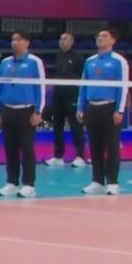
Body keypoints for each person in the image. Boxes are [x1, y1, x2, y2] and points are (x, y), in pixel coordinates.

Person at [78, 28, 129, 195]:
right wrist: (80, 107)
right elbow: (83, 86)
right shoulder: (89, 61)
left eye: (104, 36)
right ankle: (97, 181)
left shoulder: (119, 61)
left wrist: (119, 110)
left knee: (112, 146)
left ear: (113, 40)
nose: (100, 38)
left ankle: (112, 182)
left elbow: (123, 87)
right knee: (94, 146)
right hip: (91, 107)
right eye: (98, 36)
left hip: (110, 108)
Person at [0, 32, 45, 197]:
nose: (15, 42)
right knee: (9, 148)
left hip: (26, 111)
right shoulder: (5, 63)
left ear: (27, 42)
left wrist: (38, 111)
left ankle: (29, 184)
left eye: (18, 39)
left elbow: (41, 88)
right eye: (13, 40)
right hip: (7, 110)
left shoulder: (35, 62)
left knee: (27, 148)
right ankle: (12, 182)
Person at [45, 32, 87, 167]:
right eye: (61, 38)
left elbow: (83, 77)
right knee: (57, 126)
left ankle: (80, 156)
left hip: (72, 97)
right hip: (58, 97)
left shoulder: (79, 58)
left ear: (72, 41)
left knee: (76, 126)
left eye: (65, 39)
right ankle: (58, 156)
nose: (62, 41)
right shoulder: (58, 56)